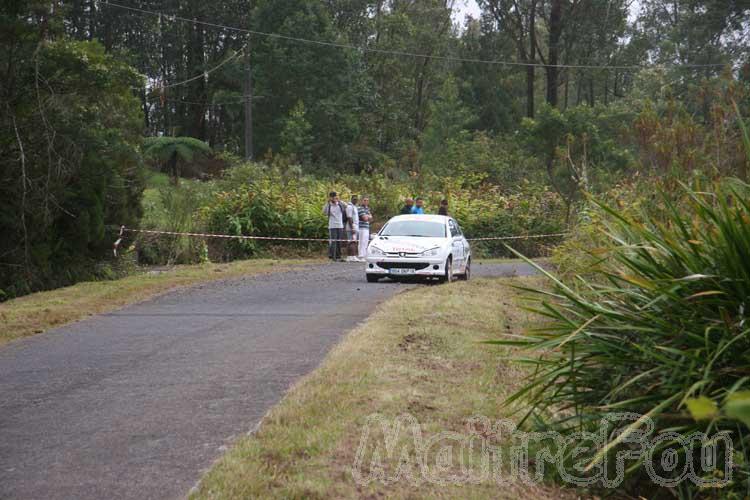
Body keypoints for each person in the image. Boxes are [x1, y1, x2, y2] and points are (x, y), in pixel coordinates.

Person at [323, 191, 346, 261]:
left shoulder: (339, 204)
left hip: (340, 225)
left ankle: (339, 256)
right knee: (333, 241)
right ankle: (333, 256)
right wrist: (328, 203)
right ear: (330, 197)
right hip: (332, 226)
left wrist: (339, 200)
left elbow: (346, 206)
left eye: (335, 196)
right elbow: (324, 212)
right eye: (333, 197)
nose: (334, 198)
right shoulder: (329, 205)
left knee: (339, 241)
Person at [345, 195, 360, 261]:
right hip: (351, 226)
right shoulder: (349, 207)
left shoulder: (355, 207)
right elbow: (349, 217)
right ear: (351, 199)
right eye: (354, 199)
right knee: (351, 241)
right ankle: (351, 256)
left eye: (356, 199)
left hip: (355, 225)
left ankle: (351, 256)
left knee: (353, 241)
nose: (355, 200)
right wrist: (352, 228)